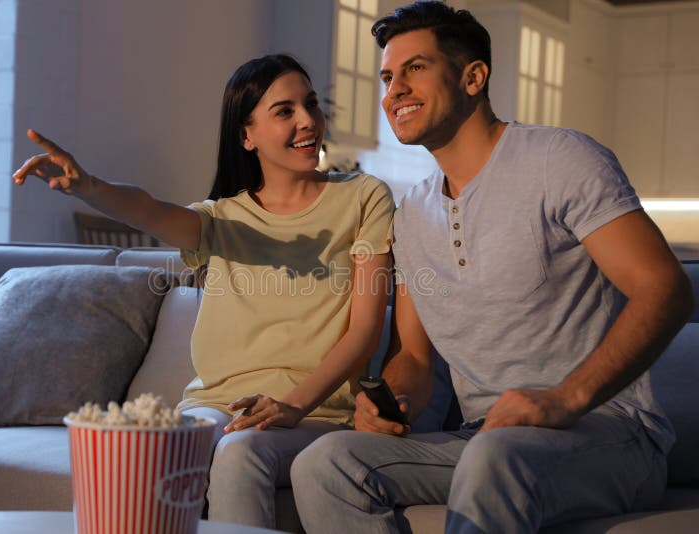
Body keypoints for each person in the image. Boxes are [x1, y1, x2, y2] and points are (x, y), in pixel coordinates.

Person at [290, 2, 694, 533]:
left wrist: (566, 397)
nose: (395, 91)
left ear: (473, 76)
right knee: (325, 463)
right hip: (484, 439)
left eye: (415, 68)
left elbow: (665, 288)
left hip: (608, 432)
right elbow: (412, 354)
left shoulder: (559, 159)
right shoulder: (411, 214)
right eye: (388, 76)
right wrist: (394, 400)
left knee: (493, 456)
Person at [12, 54, 394, 529]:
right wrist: (88, 186)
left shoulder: (363, 197)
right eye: (284, 111)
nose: (307, 121)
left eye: (310, 104)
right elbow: (149, 210)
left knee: (239, 453)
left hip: (316, 411)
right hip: (215, 404)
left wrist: (293, 404)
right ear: (246, 135)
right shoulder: (221, 219)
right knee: (154, 449)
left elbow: (364, 331)